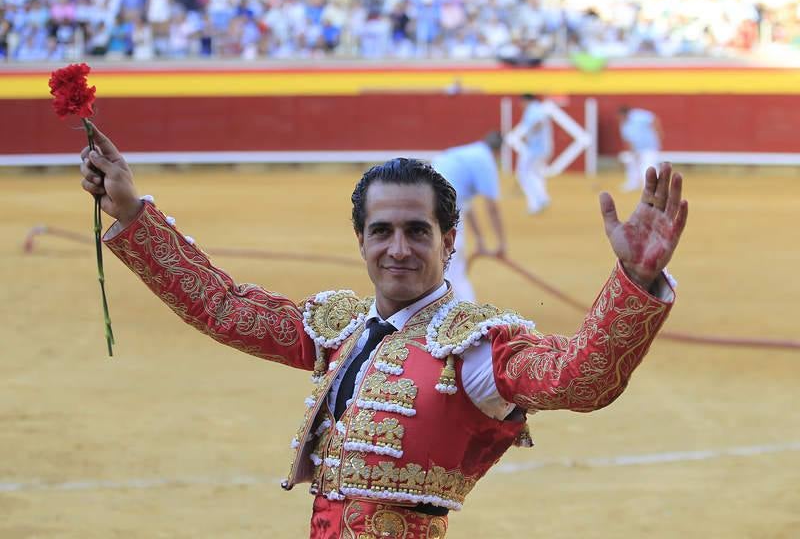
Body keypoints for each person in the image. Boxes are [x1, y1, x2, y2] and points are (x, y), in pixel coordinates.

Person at [79, 124, 688, 538]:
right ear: (362, 241)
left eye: (417, 231)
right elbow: (222, 307)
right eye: (382, 231)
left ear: (449, 242)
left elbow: (578, 378)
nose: (398, 248)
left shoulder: (477, 348)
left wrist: (634, 278)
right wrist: (133, 212)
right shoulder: (337, 328)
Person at [432, 131, 506, 303]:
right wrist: (501, 243)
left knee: (444, 258)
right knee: (453, 262)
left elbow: (466, 206)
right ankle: (466, 310)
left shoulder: (469, 154)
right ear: (498, 152)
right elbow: (492, 207)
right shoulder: (486, 162)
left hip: (428, 198)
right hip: (444, 205)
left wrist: (480, 239)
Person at [505, 93, 554, 214]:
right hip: (542, 149)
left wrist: (528, 135)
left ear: (526, 101)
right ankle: (542, 198)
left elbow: (538, 123)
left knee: (523, 174)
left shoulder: (533, 109)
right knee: (535, 174)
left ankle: (536, 203)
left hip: (535, 150)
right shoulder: (538, 108)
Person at [618, 105, 663, 192]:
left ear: (625, 114)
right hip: (636, 149)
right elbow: (627, 140)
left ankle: (653, 186)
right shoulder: (623, 125)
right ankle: (633, 183)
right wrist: (632, 152)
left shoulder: (638, 116)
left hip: (649, 146)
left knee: (648, 166)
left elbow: (654, 119)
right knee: (631, 163)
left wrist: (658, 134)